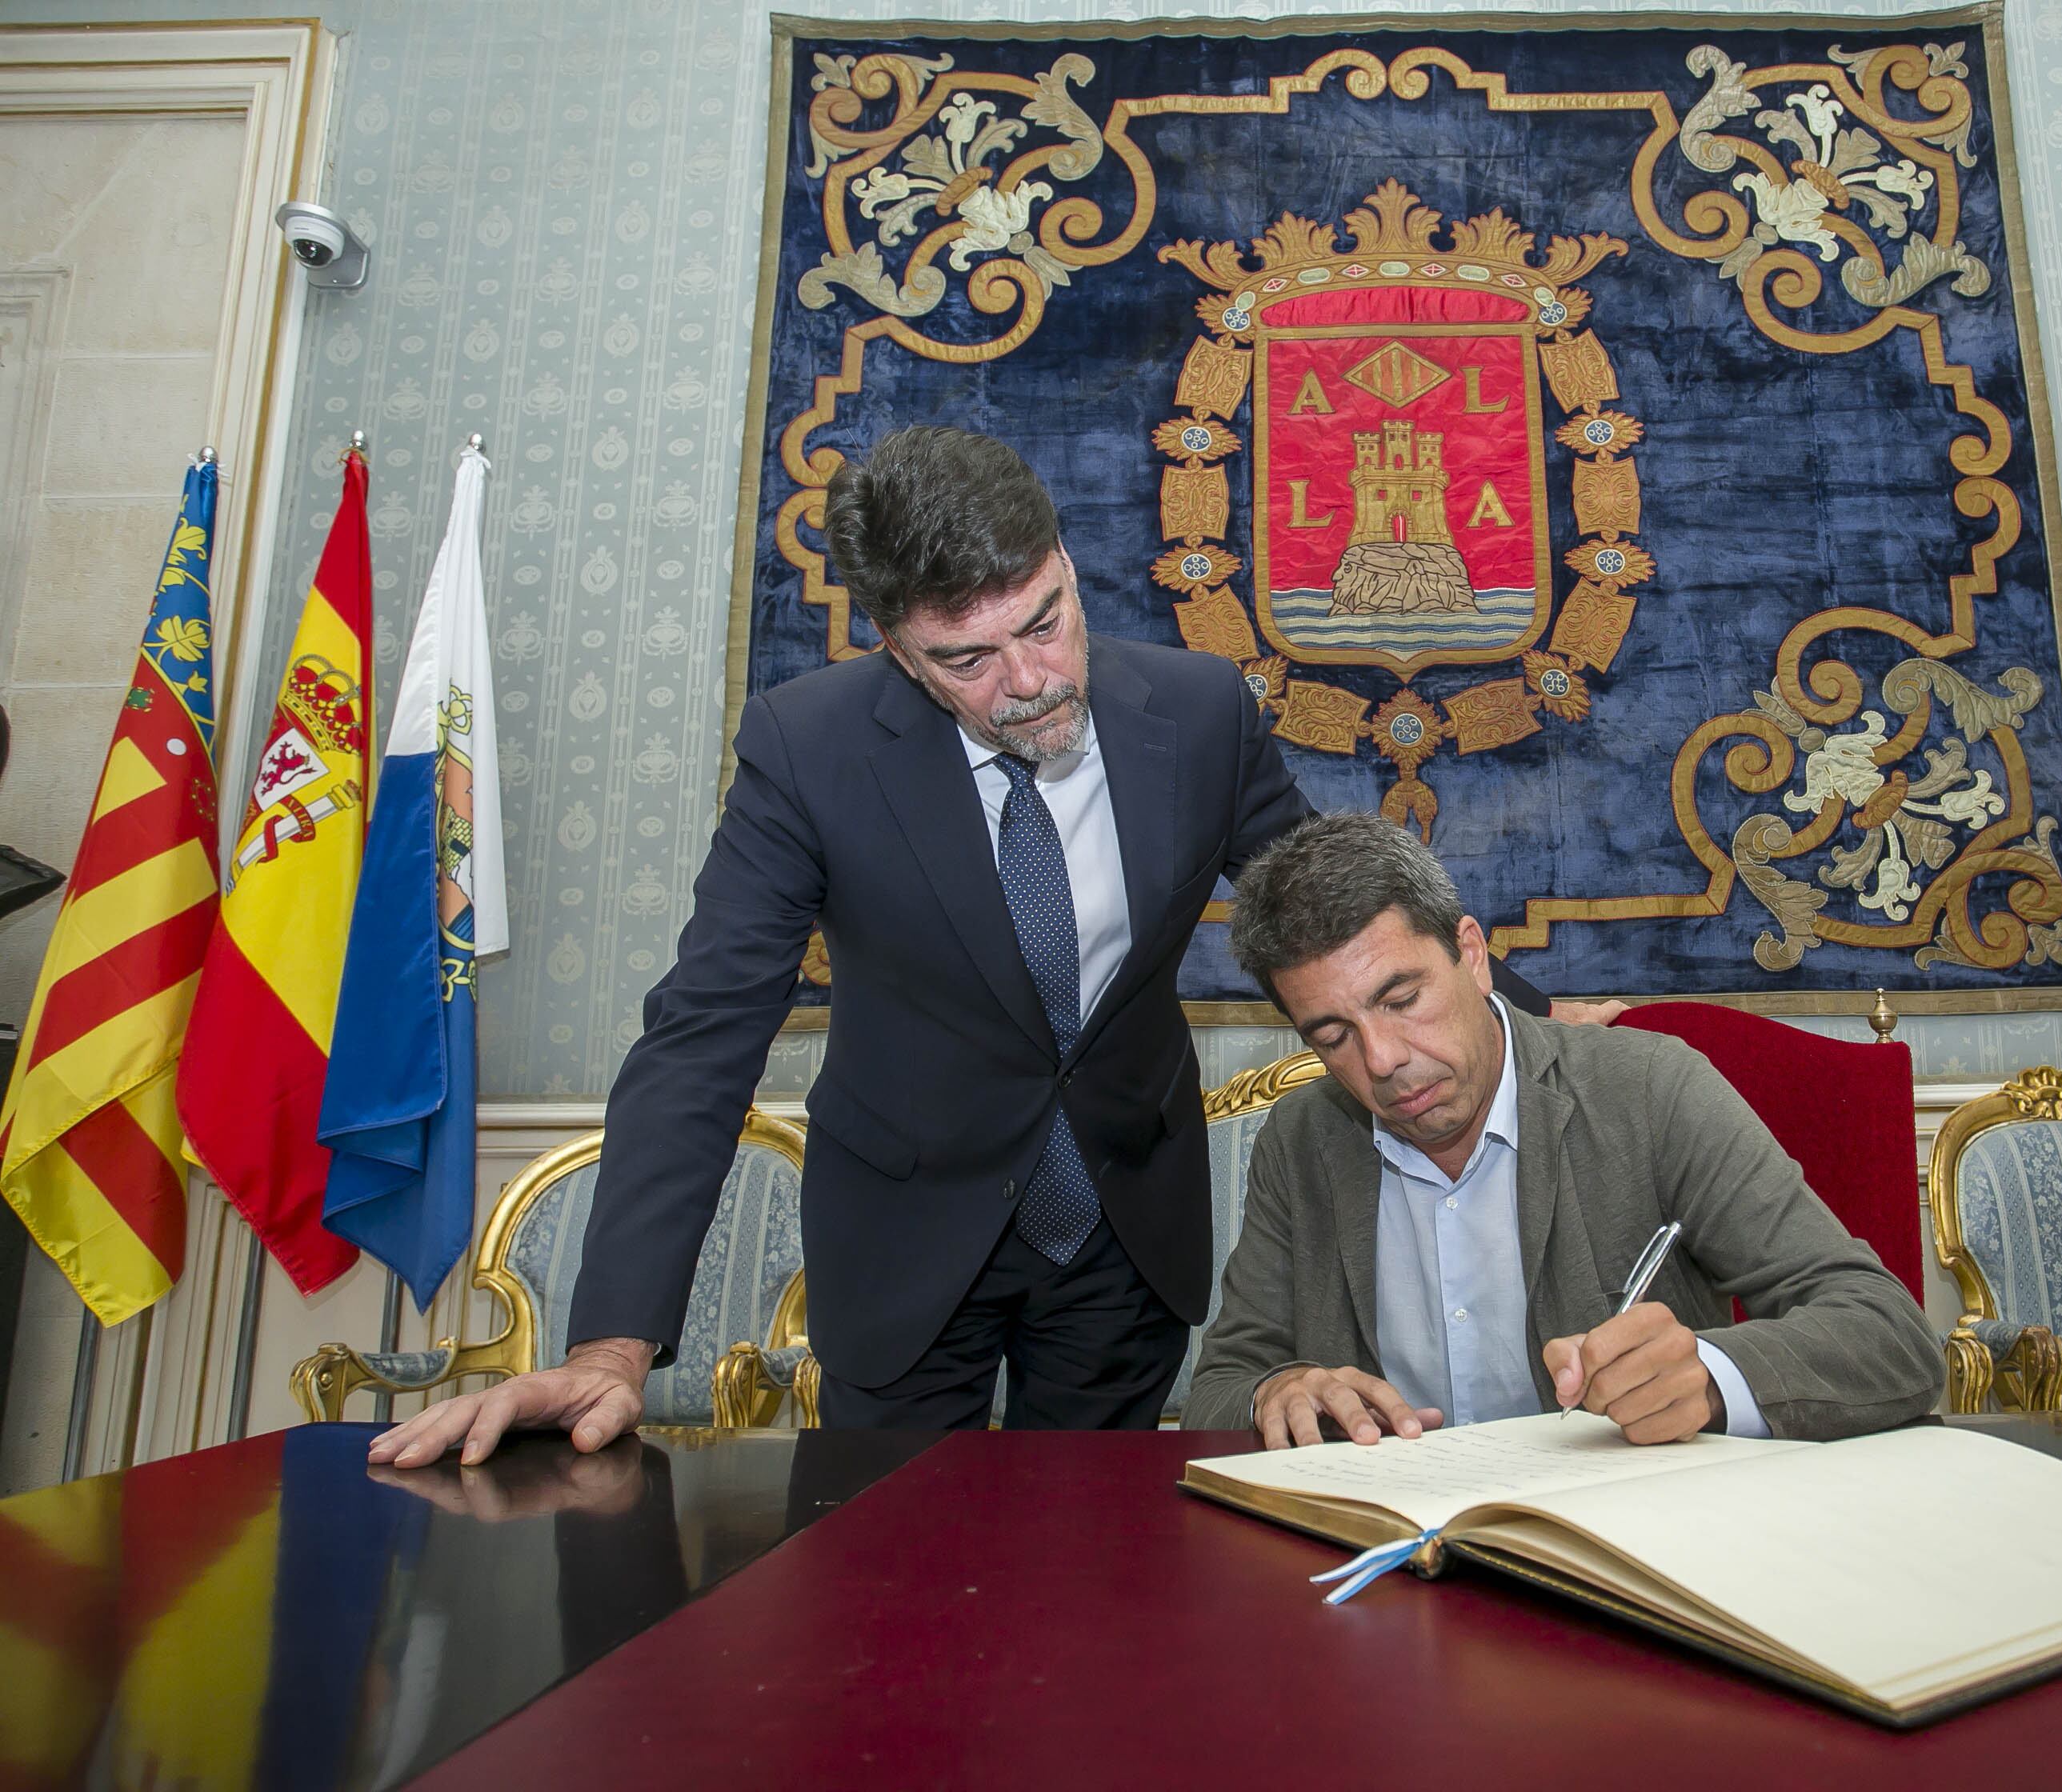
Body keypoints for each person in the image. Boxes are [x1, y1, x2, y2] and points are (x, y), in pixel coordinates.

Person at [371, 427, 1609, 1469]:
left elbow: (1335, 909)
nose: (1028, 681)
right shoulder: (809, 751)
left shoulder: (1195, 712)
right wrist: (613, 1346)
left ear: (1066, 566)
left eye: (1046, 623)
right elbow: (704, 1034)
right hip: (909, 1244)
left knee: (1099, 1608)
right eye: (967, 659)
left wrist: (1543, 1034)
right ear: (897, 651)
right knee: (885, 1608)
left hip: (1124, 1232)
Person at [1183, 812, 1943, 1446]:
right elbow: (1221, 1386)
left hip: (1628, 1553)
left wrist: (1710, 1377)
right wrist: (1278, 1392)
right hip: (1394, 1563)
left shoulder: (1647, 1088)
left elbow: (1889, 1336)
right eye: (1332, 1035)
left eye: (1401, 999)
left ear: (1473, 956)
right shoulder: (1302, 1139)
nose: (1382, 1061)